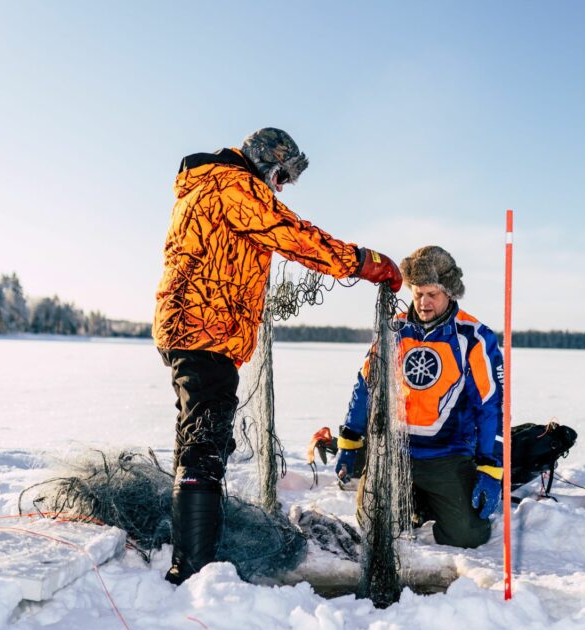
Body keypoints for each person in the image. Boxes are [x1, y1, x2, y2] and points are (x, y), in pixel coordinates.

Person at [154, 127, 402, 584]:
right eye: (282, 175)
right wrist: (360, 261)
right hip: (204, 330)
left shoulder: (209, 183)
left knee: (199, 440)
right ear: (266, 161)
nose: (281, 187)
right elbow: (292, 234)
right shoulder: (234, 185)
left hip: (194, 329)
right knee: (204, 447)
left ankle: (190, 554)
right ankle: (190, 571)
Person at [332, 245, 504, 548]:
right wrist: (350, 439)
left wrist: (490, 466)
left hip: (447, 455)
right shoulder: (394, 329)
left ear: (449, 293)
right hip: (395, 452)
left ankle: (429, 499)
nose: (423, 303)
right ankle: (412, 500)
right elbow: (366, 385)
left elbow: (490, 406)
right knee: (374, 524)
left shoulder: (474, 337)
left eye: (432, 295)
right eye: (417, 294)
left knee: (467, 535)